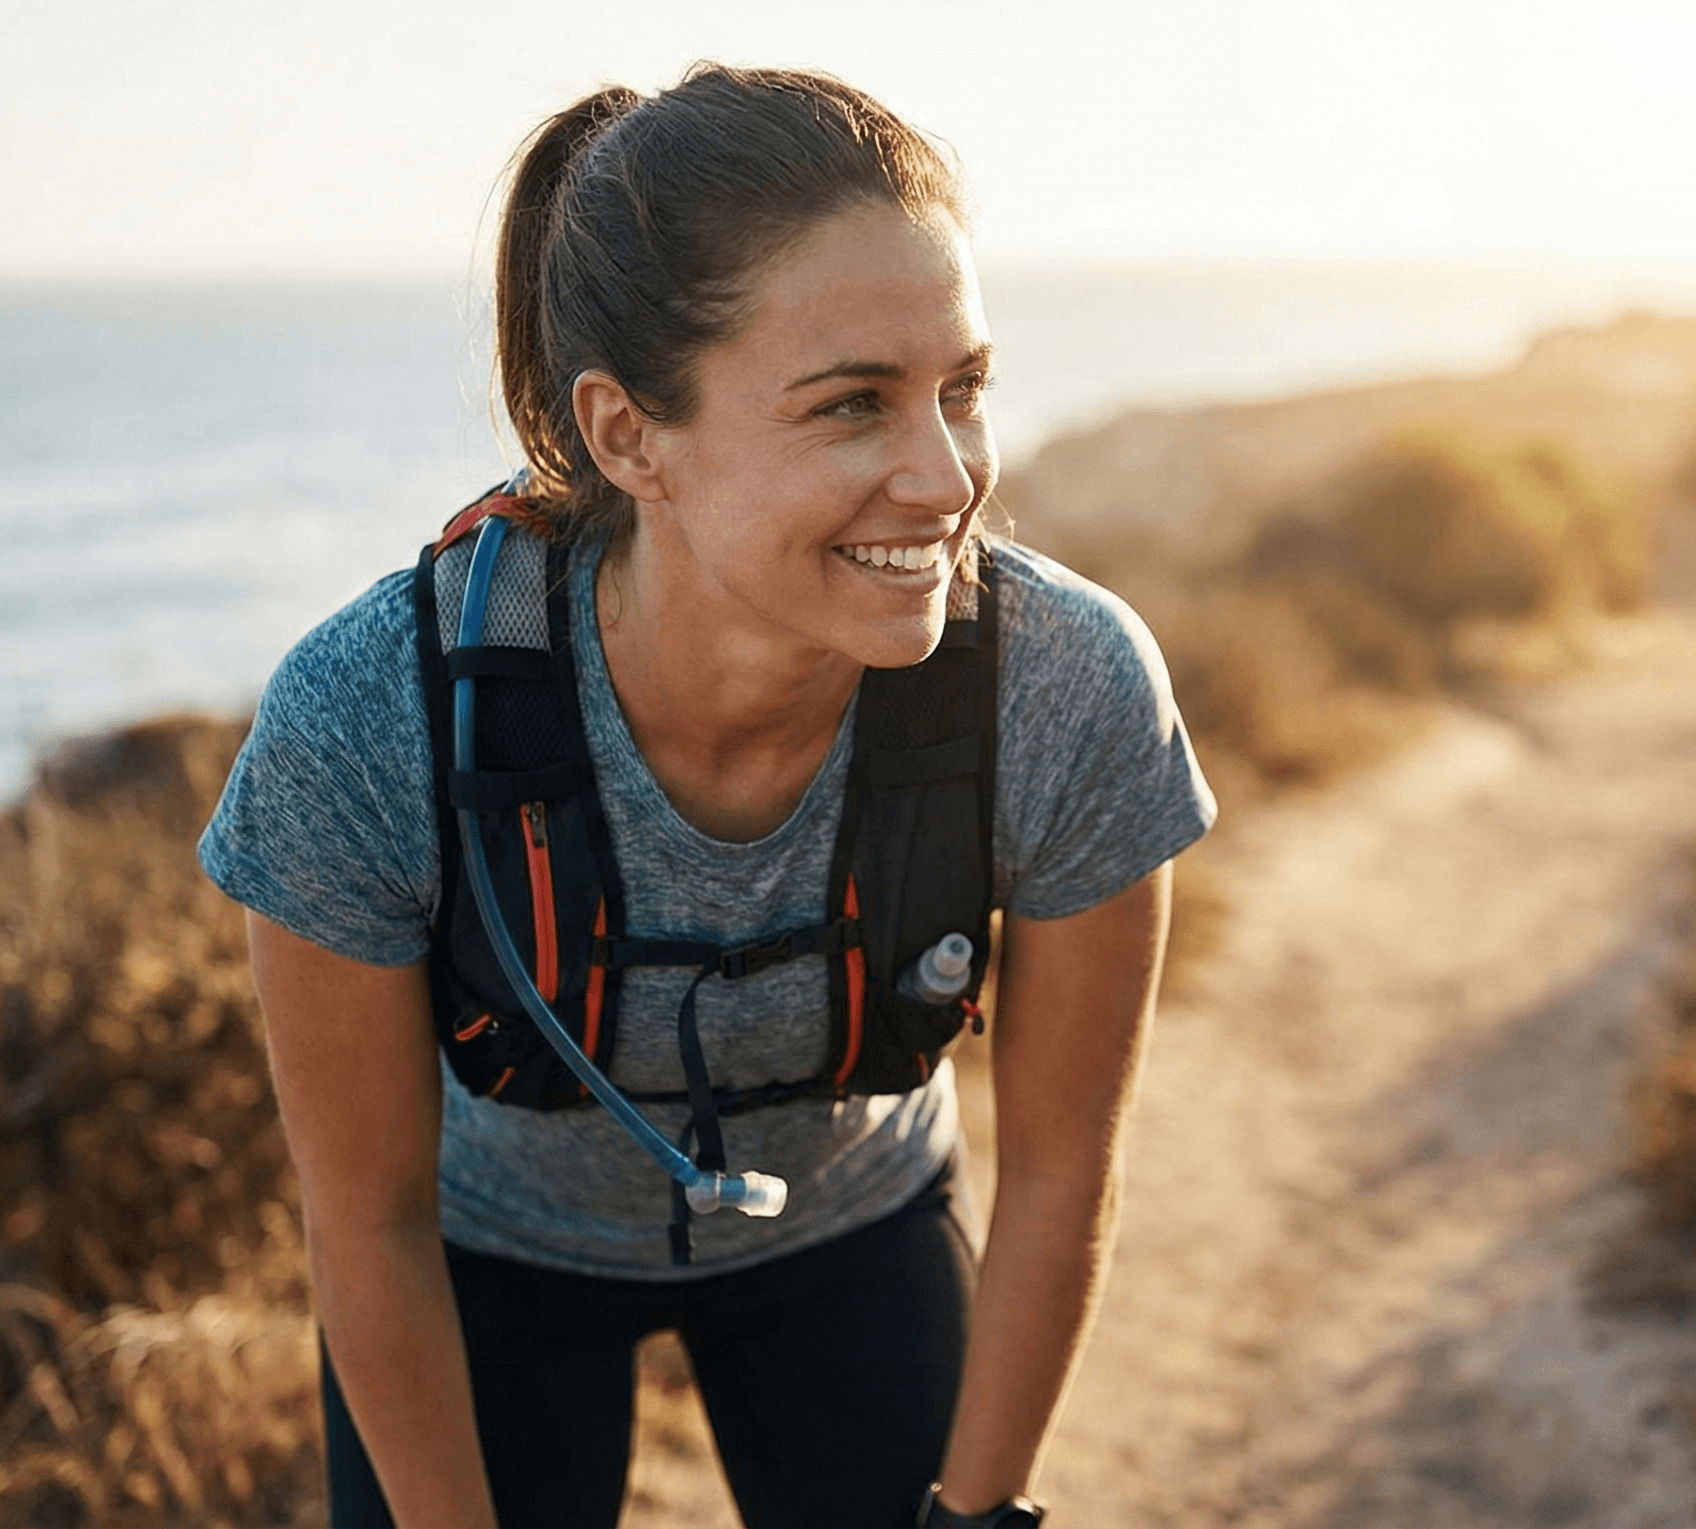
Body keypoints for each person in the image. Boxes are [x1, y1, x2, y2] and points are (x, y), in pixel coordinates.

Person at [199, 64, 1215, 1529]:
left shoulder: (1063, 682)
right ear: (626, 437)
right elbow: (366, 1222)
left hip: (853, 1221)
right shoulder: (369, 715)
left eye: (962, 389)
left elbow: (1059, 1170)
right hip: (486, 1258)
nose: (944, 480)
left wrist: (975, 1518)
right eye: (852, 406)